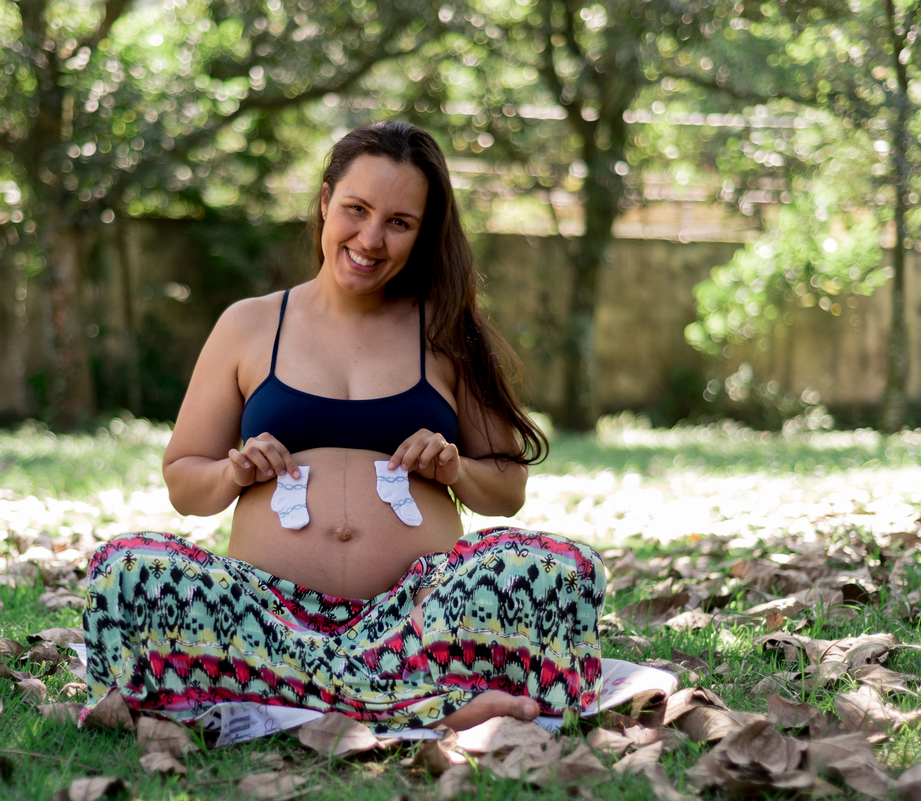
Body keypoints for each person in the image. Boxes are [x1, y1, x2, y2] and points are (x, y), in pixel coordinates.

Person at [80, 121, 605, 733]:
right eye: (356, 209)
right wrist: (231, 471)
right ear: (326, 200)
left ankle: (297, 696)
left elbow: (507, 490)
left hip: (416, 618)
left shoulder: (447, 332)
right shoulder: (249, 325)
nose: (372, 238)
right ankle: (421, 702)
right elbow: (183, 482)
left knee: (558, 568)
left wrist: (455, 467)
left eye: (400, 223)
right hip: (268, 617)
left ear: (422, 233)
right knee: (125, 567)